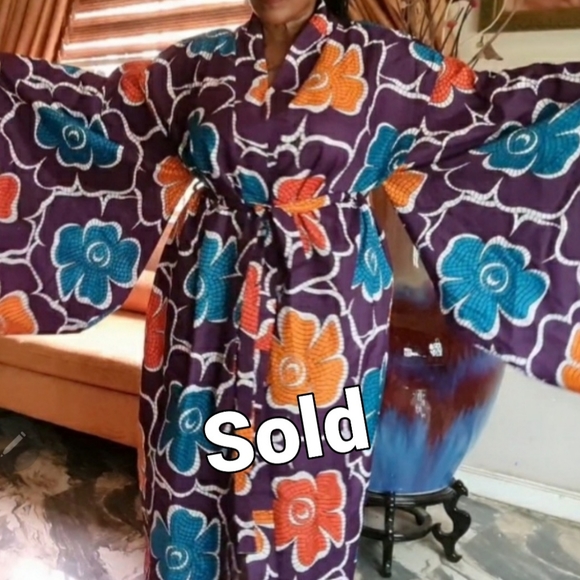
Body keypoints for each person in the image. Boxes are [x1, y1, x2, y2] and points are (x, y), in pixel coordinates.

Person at [1, 0, 579, 577]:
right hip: (203, 297)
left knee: (305, 466)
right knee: (191, 457)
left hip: (326, 311)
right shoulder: (197, 63)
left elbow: (496, 121)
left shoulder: (387, 63)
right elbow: (97, 121)